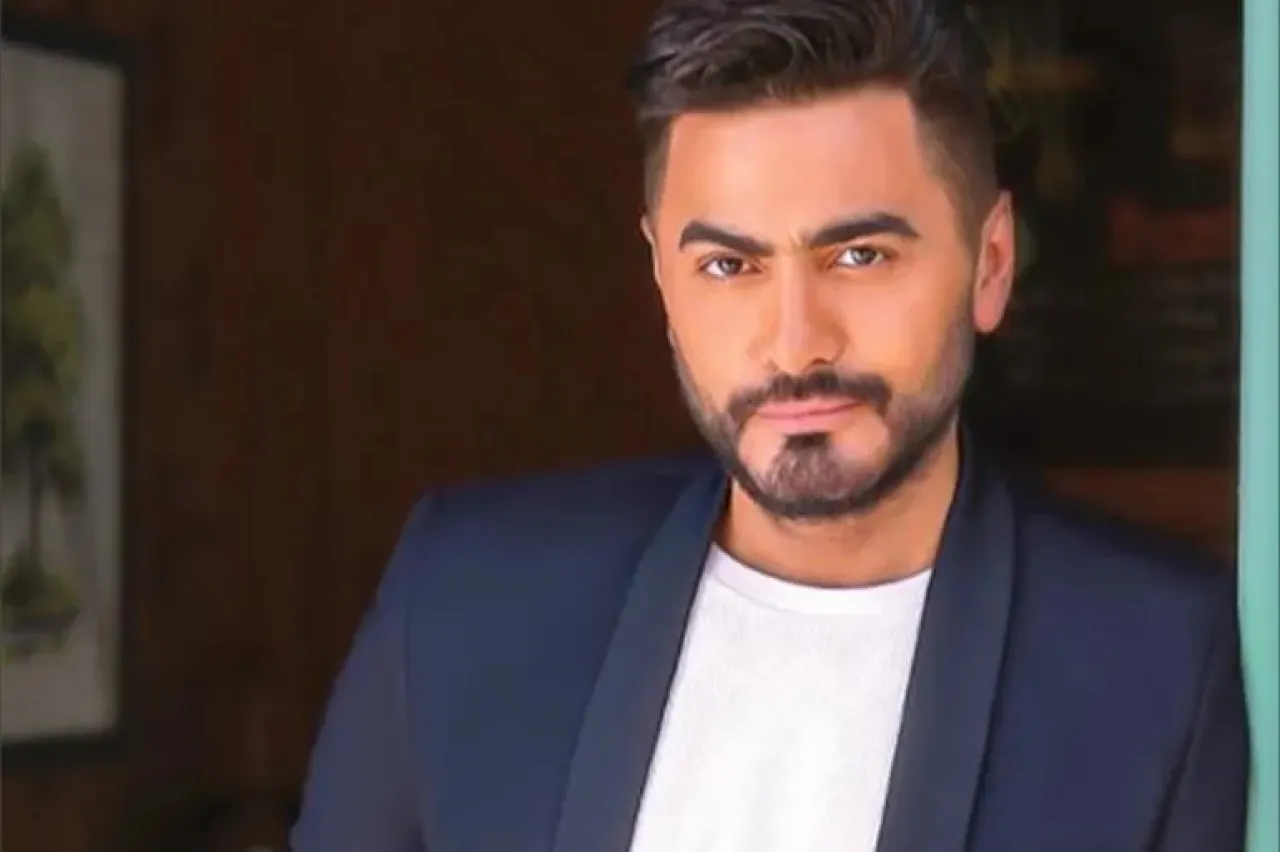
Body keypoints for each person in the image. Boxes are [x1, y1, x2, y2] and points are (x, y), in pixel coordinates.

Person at [289, 0, 1250, 849]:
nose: (795, 342)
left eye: (860, 255)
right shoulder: (465, 600)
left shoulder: (1153, 660)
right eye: (729, 266)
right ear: (662, 278)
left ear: (990, 264)